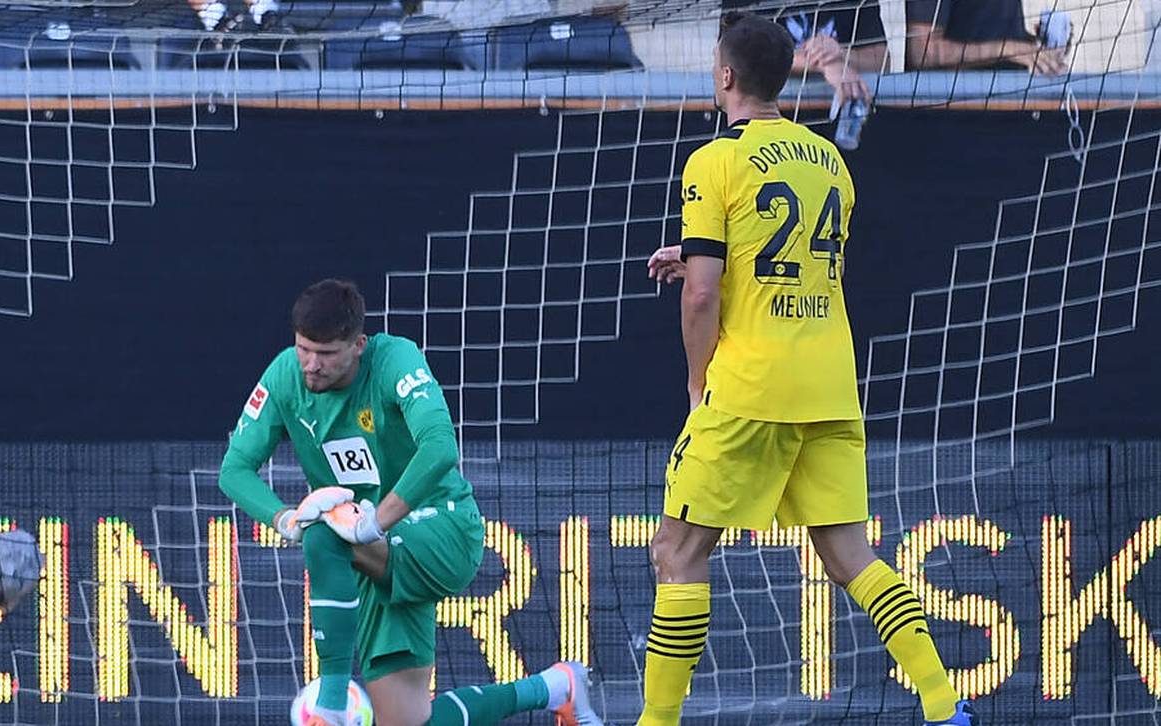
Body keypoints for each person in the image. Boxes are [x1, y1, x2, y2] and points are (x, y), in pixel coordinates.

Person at [637, 11, 975, 726]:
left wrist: (699, 384)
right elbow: (790, 271)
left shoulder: (714, 160)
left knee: (677, 549)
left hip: (751, 385)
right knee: (852, 558)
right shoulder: (833, 163)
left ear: (723, 74)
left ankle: (654, 722)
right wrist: (704, 260)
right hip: (828, 382)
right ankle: (946, 709)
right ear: (788, 74)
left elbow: (703, 296)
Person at [219, 279, 601, 726]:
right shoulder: (286, 375)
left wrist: (373, 523)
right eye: (304, 349)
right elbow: (235, 470)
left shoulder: (395, 359)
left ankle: (331, 701)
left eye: (327, 354)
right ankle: (557, 688)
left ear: (358, 344)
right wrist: (283, 519)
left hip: (441, 528)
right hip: (371, 553)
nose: (311, 365)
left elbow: (440, 448)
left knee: (324, 528)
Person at [724, 0, 886, 105]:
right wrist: (827, 63)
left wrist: (841, 54)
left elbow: (881, 59)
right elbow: (744, 54)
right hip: (765, 112)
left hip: (838, 111)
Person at [905, 0, 1068, 76]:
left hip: (1010, 106)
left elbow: (992, 36)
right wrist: (1007, 50)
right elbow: (922, 53)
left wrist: (1041, 49)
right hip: (953, 116)